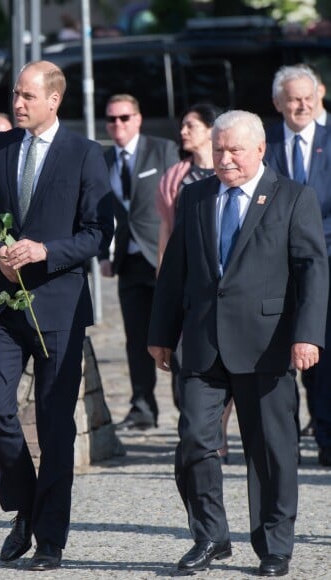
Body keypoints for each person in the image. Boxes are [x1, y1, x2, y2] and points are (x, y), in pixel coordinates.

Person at [148, 110, 328, 577]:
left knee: (270, 449)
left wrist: (307, 334)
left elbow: (312, 270)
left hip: (266, 343)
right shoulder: (195, 196)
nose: (225, 159)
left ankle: (274, 546)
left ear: (260, 149)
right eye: (219, 150)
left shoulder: (293, 197)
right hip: (204, 343)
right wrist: (160, 334)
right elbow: (175, 271)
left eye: (235, 150)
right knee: (193, 441)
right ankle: (209, 536)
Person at [0, 60, 113, 571]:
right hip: (3, 303)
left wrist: (47, 251)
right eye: (14, 94)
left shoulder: (85, 154)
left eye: (27, 96)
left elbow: (97, 232)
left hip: (59, 307)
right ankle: (25, 507)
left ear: (54, 100)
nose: (17, 103)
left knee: (54, 425)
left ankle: (50, 538)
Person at [156, 103, 233, 460]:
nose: (183, 131)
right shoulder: (176, 178)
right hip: (191, 286)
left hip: (229, 285)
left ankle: (219, 430)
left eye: (191, 125)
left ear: (209, 129)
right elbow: (167, 233)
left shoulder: (230, 176)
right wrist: (164, 278)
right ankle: (203, 429)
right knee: (191, 359)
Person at [99, 93, 179, 431]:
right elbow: (95, 210)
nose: (118, 124)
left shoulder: (162, 151)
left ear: (138, 118)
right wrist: (104, 254)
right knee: (136, 338)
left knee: (176, 336)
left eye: (125, 117)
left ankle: (187, 407)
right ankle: (142, 408)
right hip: (128, 261)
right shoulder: (102, 159)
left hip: (164, 258)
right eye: (112, 119)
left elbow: (178, 201)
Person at [264, 64, 331, 464]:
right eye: (294, 99)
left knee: (322, 356)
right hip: (274, 266)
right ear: (278, 103)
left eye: (309, 98)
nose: (302, 105)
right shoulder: (264, 143)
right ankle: (283, 445)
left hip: (325, 262)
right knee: (276, 358)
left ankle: (326, 439)